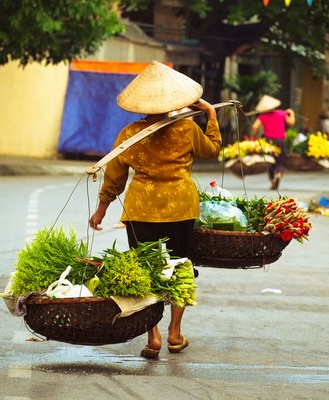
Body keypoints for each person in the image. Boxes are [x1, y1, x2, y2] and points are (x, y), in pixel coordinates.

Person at [88, 61, 221, 359]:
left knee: (146, 272)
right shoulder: (187, 128)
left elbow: (114, 177)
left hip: (141, 210)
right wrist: (211, 114)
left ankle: (154, 336)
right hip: (180, 208)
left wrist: (101, 210)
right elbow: (212, 149)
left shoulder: (130, 135)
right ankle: (175, 332)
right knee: (179, 267)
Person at [251, 95, 296, 189]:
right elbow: (291, 123)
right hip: (281, 141)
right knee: (280, 162)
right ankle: (278, 175)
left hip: (269, 142)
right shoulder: (281, 113)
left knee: (269, 162)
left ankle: (272, 180)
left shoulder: (262, 116)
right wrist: (291, 113)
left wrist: (254, 139)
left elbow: (254, 127)